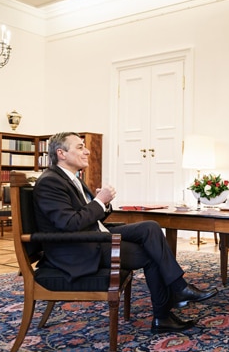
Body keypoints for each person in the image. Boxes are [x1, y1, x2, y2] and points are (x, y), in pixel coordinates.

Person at [33, 132, 218, 334]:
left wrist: (102, 205)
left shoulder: (72, 179)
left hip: (92, 237)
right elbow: (68, 223)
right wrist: (98, 202)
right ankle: (165, 313)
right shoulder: (50, 182)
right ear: (61, 153)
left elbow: (85, 218)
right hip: (77, 249)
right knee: (151, 254)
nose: (86, 151)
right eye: (79, 147)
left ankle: (178, 290)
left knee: (150, 227)